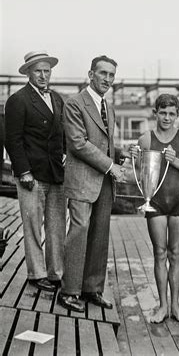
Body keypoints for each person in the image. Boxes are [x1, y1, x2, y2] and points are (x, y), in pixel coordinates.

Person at [58, 55, 130, 312]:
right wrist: (112, 166)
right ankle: (69, 291)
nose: (108, 80)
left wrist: (120, 152)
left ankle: (92, 289)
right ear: (90, 75)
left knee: (99, 237)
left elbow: (102, 143)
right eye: (103, 74)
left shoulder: (108, 107)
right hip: (82, 182)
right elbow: (78, 143)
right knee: (78, 234)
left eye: (112, 75)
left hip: (103, 184)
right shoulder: (75, 103)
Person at [135, 94, 179, 323]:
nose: (167, 117)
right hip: (157, 201)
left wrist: (175, 161)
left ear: (178, 115)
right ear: (155, 112)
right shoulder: (146, 139)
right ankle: (162, 306)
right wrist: (133, 159)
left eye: (172, 113)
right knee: (159, 253)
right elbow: (139, 176)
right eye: (163, 112)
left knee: (176, 253)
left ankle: (176, 306)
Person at [4, 51, 66, 292]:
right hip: (32, 175)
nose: (43, 75)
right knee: (32, 225)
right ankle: (36, 273)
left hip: (56, 173)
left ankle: (55, 273)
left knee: (56, 226)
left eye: (46, 70)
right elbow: (13, 140)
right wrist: (23, 172)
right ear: (28, 72)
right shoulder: (18, 100)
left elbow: (62, 133)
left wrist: (66, 154)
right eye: (38, 71)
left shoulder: (58, 99)